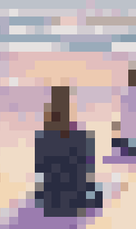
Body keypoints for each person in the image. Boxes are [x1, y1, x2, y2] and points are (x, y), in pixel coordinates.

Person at [34, 85, 101, 217]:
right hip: (74, 203)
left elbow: (41, 169)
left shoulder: (45, 139)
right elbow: (88, 170)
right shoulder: (80, 139)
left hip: (54, 203)